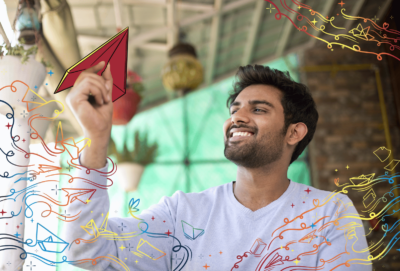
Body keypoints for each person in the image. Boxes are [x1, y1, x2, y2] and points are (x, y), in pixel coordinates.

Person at [63, 61, 372, 270]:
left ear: (294, 132)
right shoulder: (181, 214)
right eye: (235, 109)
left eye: (259, 109)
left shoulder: (329, 214)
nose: (237, 117)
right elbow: (87, 250)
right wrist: (98, 138)